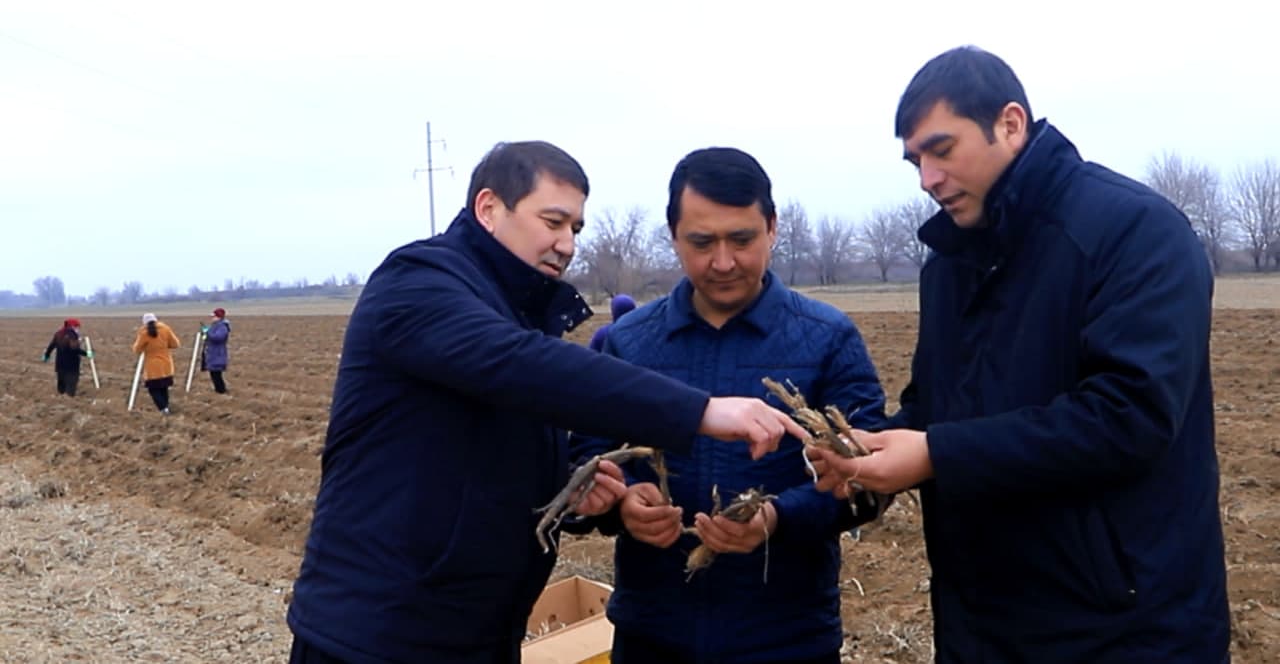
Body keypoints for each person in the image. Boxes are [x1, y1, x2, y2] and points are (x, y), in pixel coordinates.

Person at [286, 140, 809, 664]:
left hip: (474, 633)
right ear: (489, 208)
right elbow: (522, 365)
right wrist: (702, 412)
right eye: (553, 222)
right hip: (378, 634)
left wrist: (578, 492)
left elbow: (484, 448)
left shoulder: (511, 309)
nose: (567, 244)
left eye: (575, 229)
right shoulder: (419, 282)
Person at [806, 46, 1229, 662]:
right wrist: (868, 462)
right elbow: (935, 409)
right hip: (982, 623)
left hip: (1124, 628)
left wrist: (934, 455)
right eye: (915, 160)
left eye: (941, 150)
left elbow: (1129, 418)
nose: (927, 179)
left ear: (1010, 123)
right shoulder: (948, 266)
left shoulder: (1136, 232)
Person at [573, 147, 887, 664]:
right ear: (674, 236)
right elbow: (587, 454)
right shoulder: (629, 343)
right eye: (702, 242)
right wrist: (623, 503)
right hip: (653, 635)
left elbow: (870, 483)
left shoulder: (828, 339)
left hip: (787, 640)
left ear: (772, 228)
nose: (723, 262)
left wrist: (779, 518)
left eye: (741, 240)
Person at [132, 312, 181, 415]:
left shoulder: (143, 332)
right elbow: (175, 344)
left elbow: (136, 349)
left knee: (153, 389)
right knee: (164, 388)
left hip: (152, 367)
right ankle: (166, 407)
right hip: (166, 364)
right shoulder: (166, 329)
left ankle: (163, 408)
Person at [42, 318, 92, 397]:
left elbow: (51, 346)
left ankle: (61, 397)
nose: (78, 329)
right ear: (73, 326)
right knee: (71, 385)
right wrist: (86, 353)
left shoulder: (58, 333)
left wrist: (46, 355)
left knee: (61, 384)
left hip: (60, 365)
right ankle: (69, 399)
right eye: (77, 327)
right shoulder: (72, 335)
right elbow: (74, 349)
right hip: (71, 366)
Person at [202, 307, 231, 393]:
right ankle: (218, 390)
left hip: (218, 354)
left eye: (214, 316)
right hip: (212, 353)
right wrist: (204, 334)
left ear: (219, 317)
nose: (212, 318)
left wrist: (208, 332)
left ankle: (221, 390)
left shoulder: (222, 327)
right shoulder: (214, 326)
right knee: (213, 374)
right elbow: (207, 338)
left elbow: (218, 338)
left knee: (216, 374)